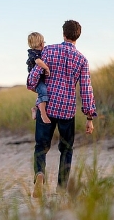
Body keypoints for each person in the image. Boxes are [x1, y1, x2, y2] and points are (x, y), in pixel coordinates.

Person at [27, 20, 97, 197]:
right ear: (78, 36)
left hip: (48, 107)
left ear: (63, 33)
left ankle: (39, 175)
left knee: (41, 147)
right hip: (67, 110)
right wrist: (89, 117)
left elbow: (33, 79)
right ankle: (61, 189)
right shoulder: (82, 59)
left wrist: (34, 83)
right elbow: (86, 89)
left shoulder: (48, 50)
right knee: (66, 149)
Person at [26, 32, 51, 124]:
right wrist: (46, 68)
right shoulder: (34, 53)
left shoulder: (40, 52)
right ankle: (43, 115)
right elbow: (38, 62)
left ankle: (35, 109)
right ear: (41, 43)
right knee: (43, 92)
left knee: (42, 93)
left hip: (40, 78)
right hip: (36, 80)